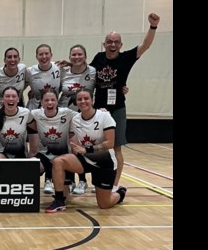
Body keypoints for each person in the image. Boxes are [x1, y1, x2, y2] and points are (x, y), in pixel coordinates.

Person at [91, 12, 161, 196]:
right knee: (98, 147)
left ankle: (114, 185)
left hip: (117, 109)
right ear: (104, 44)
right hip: (98, 110)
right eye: (109, 41)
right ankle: (100, 183)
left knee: (116, 148)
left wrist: (153, 26)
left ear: (120, 45)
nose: (112, 44)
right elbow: (85, 74)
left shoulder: (126, 58)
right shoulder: (98, 58)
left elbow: (145, 45)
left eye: (116, 42)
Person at [46, 90, 126, 212]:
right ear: (76, 103)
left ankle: (120, 193)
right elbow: (74, 143)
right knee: (59, 161)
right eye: (79, 99)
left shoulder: (104, 116)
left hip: (105, 162)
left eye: (86, 98)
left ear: (92, 100)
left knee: (104, 204)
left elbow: (110, 143)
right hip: (85, 159)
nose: (83, 101)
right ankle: (59, 200)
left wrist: (86, 149)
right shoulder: (75, 119)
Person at [58, 43, 97, 196]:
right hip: (65, 114)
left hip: (83, 116)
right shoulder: (63, 72)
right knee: (67, 147)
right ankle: (70, 181)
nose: (76, 57)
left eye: (80, 54)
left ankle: (82, 180)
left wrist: (122, 88)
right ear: (69, 57)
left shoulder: (92, 71)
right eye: (73, 55)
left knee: (79, 146)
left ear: (85, 57)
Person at [28, 89, 76, 194]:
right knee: (31, 165)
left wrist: (100, 112)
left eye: (53, 100)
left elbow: (85, 116)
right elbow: (16, 114)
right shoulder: (35, 114)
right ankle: (35, 189)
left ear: (57, 102)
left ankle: (68, 182)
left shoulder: (67, 113)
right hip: (44, 155)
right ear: (41, 102)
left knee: (65, 198)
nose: (50, 103)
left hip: (63, 156)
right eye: (46, 100)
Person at [0, 87, 34, 158]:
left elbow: (35, 131)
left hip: (21, 153)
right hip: (2, 152)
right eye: (7, 96)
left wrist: (32, 153)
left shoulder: (26, 113)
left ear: (18, 99)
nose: (11, 99)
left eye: (14, 96)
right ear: (2, 99)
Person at [24, 44, 61, 110]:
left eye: (46, 53)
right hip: (34, 107)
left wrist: (70, 64)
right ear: (36, 57)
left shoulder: (59, 67)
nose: (44, 57)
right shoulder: (30, 71)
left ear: (51, 55)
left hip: (53, 107)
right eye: (41, 54)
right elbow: (22, 87)